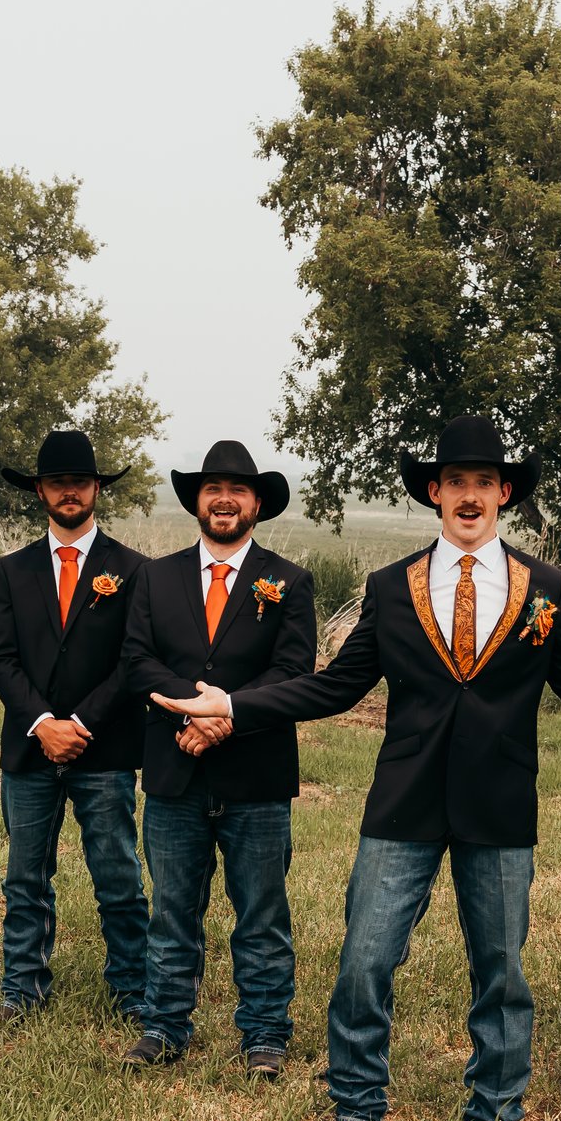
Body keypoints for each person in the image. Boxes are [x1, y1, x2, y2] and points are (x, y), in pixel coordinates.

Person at [152, 414, 561, 1121]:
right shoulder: (390, 586)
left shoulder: (545, 588)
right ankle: (355, 1098)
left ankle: (496, 1112)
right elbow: (334, 688)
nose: (469, 496)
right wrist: (233, 704)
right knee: (365, 958)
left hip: (500, 805)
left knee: (502, 971)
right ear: (435, 494)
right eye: (456, 483)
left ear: (503, 493)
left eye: (484, 482)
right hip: (402, 805)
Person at [118, 441, 319, 1075]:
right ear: (196, 502)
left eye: (237, 489)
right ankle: (164, 1026)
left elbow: (292, 673)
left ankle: (265, 1034)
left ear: (257, 503)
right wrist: (195, 712)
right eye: (212, 488)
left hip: (255, 774)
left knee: (261, 913)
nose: (224, 498)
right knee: (173, 909)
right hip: (175, 770)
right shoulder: (156, 576)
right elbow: (137, 662)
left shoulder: (288, 580)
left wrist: (223, 719)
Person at [0, 429, 149, 1026]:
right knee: (26, 877)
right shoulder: (12, 569)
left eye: (80, 482)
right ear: (40, 492)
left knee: (117, 875)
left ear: (97, 488)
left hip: (102, 749)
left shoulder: (131, 570)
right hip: (30, 750)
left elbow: (135, 661)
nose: (70, 492)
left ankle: (133, 989)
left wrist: (78, 723)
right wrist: (42, 723)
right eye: (58, 483)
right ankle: (22, 989)